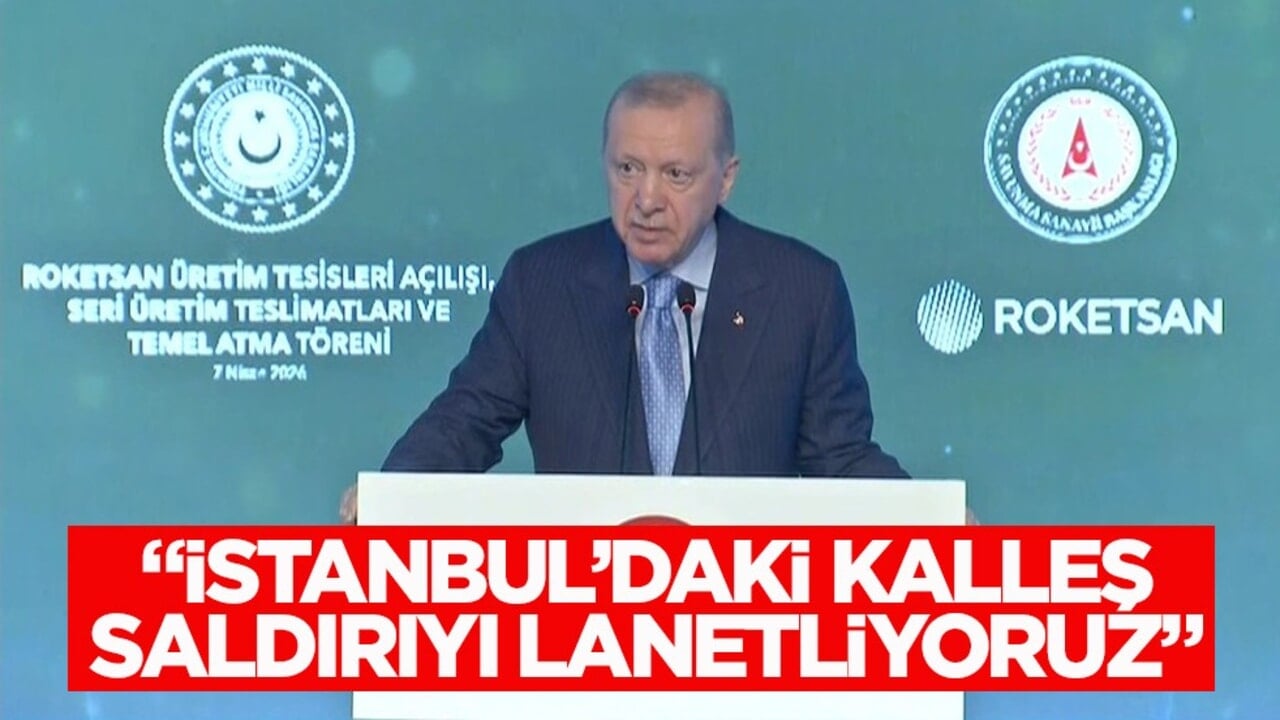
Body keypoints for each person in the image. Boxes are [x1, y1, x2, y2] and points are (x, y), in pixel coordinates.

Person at [341, 70, 915, 523]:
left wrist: (928, 520)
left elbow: (840, 457)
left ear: (726, 178)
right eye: (628, 169)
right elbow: (463, 425)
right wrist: (393, 494)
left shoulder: (801, 290)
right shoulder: (542, 284)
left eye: (676, 175)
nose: (646, 199)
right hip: (580, 610)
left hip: (742, 611)